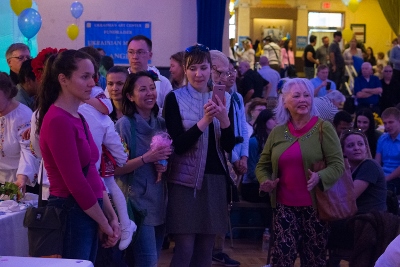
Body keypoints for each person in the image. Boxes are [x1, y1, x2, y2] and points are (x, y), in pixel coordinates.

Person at [36, 49, 120, 261]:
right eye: (84, 77)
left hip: (88, 208)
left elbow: (92, 171)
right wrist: (103, 221)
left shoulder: (77, 116)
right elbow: (75, 182)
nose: (92, 83)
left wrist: (111, 215)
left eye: (93, 76)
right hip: (71, 210)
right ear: (63, 79)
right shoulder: (57, 120)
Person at [255, 78, 344, 266]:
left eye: (307, 95)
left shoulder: (323, 128)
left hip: (316, 207)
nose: (303, 100)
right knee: (282, 258)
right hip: (283, 207)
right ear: (285, 101)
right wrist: (265, 181)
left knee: (313, 259)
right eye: (296, 96)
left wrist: (320, 176)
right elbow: (262, 166)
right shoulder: (278, 132)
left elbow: (338, 165)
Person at [164, 44, 235, 267]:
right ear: (185, 70)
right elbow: (180, 145)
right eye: (192, 68)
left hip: (215, 179)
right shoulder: (174, 98)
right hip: (184, 180)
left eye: (204, 68)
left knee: (206, 250)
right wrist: (205, 120)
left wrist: (224, 120)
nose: (199, 74)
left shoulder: (226, 98)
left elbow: (229, 145)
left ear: (211, 70)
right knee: (184, 248)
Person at [114, 71, 172, 265]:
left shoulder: (162, 124)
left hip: (159, 203)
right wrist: (147, 158)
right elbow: (115, 168)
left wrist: (163, 163)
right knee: (148, 262)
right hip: (135, 204)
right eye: (143, 89)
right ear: (130, 96)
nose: (150, 93)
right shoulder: (124, 125)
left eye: (152, 88)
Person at [328, 130, 387, 265]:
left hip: (368, 223)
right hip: (357, 220)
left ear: (366, 148)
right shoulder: (350, 170)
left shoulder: (369, 165)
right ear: (343, 151)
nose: (356, 148)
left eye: (360, 144)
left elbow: (349, 197)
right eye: (351, 145)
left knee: (319, 226)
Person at [209, 50, 243, 267]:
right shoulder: (184, 95)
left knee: (222, 207)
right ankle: (207, 251)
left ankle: (217, 250)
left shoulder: (233, 98)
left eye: (228, 72)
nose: (225, 76)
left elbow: (240, 129)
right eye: (220, 72)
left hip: (225, 157)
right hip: (203, 163)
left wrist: (242, 155)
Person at [0, 72, 38, 191]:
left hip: (18, 179)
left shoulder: (23, 115)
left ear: (7, 92)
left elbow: (28, 150)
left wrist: (22, 178)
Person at [127, 35, 173, 114]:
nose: (135, 57)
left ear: (150, 55)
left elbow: (170, 111)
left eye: (140, 52)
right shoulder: (120, 79)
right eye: (131, 52)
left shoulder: (163, 82)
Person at [242, 109, 277, 203]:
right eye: (273, 119)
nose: (277, 121)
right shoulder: (254, 142)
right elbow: (251, 172)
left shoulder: (276, 142)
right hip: (252, 185)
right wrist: (267, 180)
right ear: (264, 120)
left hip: (269, 182)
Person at [375, 107, 400, 195]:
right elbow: (377, 162)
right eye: (385, 123)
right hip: (383, 176)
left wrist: (386, 179)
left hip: (396, 178)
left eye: (391, 122)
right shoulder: (382, 138)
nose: (387, 126)